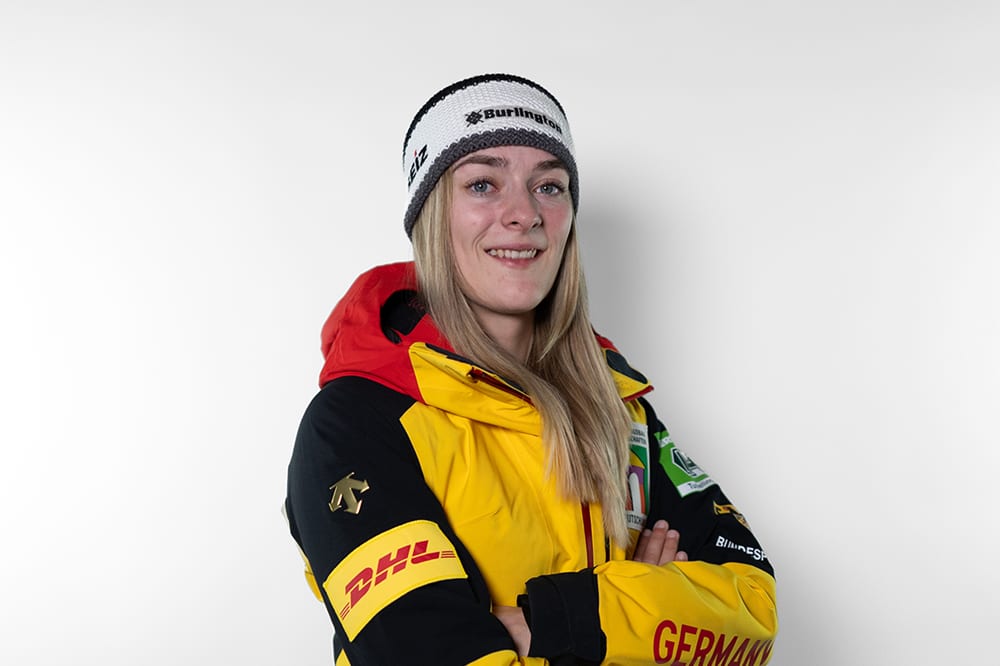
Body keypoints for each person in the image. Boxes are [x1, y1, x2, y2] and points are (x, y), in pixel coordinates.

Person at [285, 73, 778, 665]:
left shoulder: (620, 408)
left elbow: (753, 613)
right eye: (484, 183)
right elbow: (427, 654)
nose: (523, 213)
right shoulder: (358, 420)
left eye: (549, 185)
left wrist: (545, 624)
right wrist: (645, 617)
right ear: (431, 217)